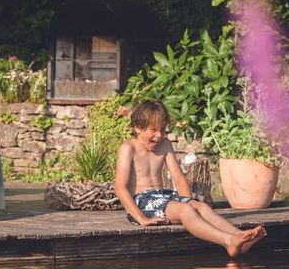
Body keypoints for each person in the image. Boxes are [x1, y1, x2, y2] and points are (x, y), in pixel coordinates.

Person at [114, 100, 266, 257]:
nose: (159, 135)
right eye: (153, 130)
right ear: (138, 128)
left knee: (201, 207)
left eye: (163, 130)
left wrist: (188, 202)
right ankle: (228, 241)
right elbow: (120, 187)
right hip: (142, 202)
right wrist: (141, 218)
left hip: (164, 197)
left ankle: (240, 236)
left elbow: (179, 178)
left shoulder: (165, 145)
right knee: (186, 210)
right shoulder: (128, 148)